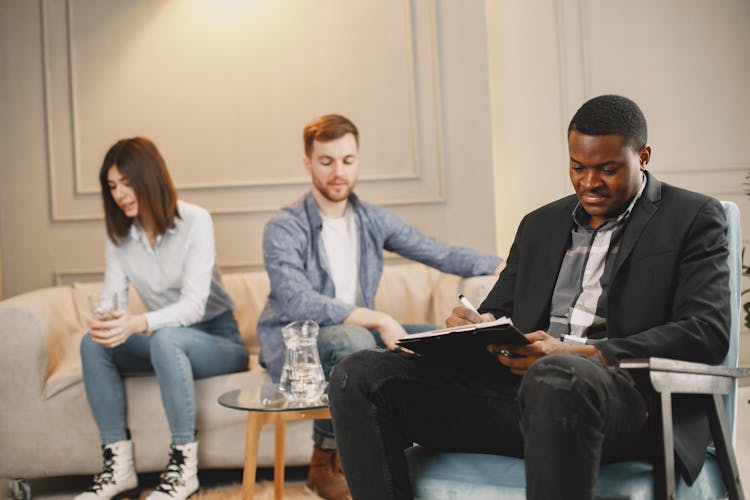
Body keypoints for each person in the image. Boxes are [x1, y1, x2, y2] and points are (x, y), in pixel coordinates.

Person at [328, 95, 731, 500]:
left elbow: (706, 332)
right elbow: (498, 312)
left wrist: (582, 354)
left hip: (626, 400)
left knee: (555, 377)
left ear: (642, 156)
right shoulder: (540, 225)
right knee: (358, 374)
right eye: (577, 167)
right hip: (518, 397)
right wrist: (476, 326)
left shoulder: (693, 218)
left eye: (607, 170)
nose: (589, 183)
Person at [257, 114, 503, 499]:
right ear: (308, 164)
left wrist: (507, 264)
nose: (339, 172)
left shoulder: (371, 219)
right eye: (327, 161)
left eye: (348, 160)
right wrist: (379, 319)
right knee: (353, 338)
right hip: (297, 344)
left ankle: (433, 445)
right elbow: (296, 298)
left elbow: (437, 251)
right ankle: (326, 463)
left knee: (443, 338)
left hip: (357, 333)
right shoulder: (284, 226)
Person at [76, 138, 249, 500]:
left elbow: (194, 306)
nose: (120, 194)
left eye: (126, 182)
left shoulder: (195, 220)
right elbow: (113, 300)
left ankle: (183, 470)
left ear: (149, 177)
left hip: (218, 340)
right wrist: (108, 321)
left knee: (166, 337)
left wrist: (138, 323)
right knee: (93, 344)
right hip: (161, 342)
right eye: (112, 187)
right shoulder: (120, 236)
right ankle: (118, 467)